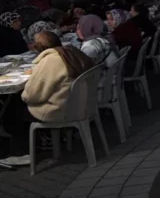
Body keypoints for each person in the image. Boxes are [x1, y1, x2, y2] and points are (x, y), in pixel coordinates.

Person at [0, 32, 95, 168]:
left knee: (15, 109)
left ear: (38, 47)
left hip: (61, 109)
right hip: (78, 104)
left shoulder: (50, 61)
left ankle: (22, 153)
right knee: (16, 105)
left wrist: (27, 88)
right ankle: (36, 144)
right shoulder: (71, 53)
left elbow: (33, 95)